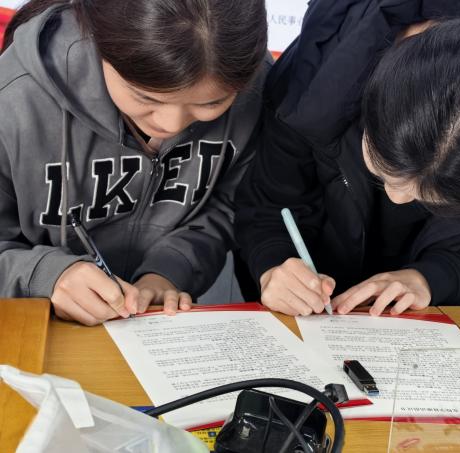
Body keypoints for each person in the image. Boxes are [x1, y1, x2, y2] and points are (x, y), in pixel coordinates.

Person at [235, 0, 460, 317]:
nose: (397, 198)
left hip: (445, 319)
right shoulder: (319, 77)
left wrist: (434, 278)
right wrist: (272, 264)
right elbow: (267, 204)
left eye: (433, 198)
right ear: (368, 99)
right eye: (384, 170)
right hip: (316, 313)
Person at [0, 0, 269, 325]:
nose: (171, 125)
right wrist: (43, 275)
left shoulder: (254, 85)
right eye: (146, 97)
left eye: (211, 103)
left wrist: (168, 271)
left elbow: (228, 204)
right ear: (101, 47)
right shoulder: (14, 98)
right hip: (33, 330)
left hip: (157, 328)